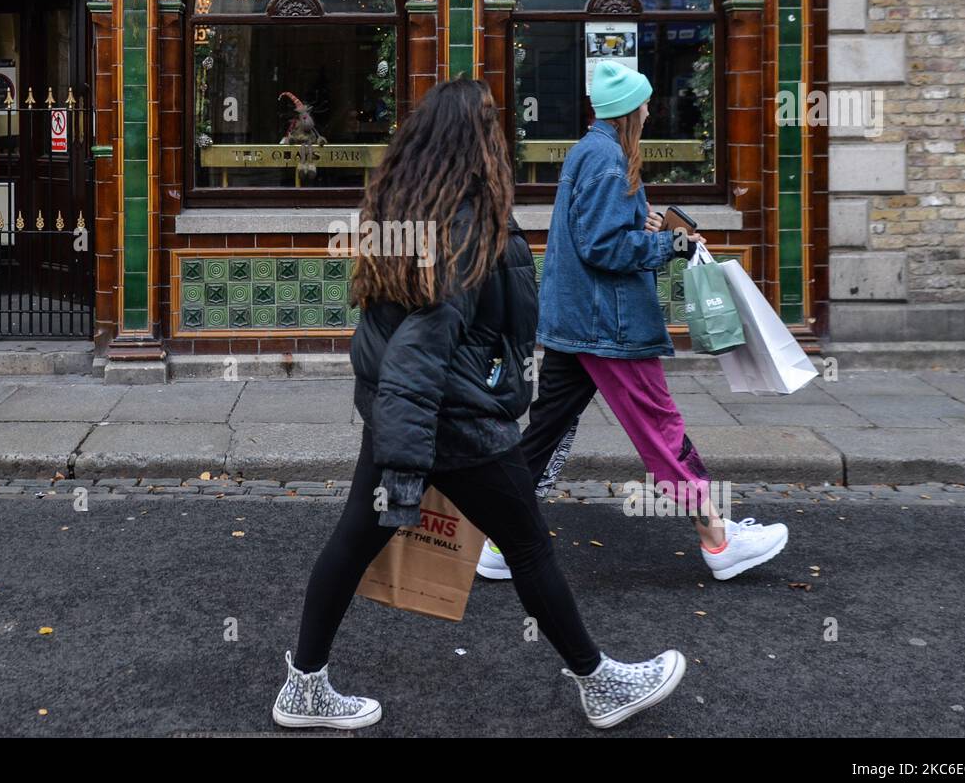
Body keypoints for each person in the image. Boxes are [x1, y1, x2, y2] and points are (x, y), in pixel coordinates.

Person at [273, 78, 686, 731]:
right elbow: (420, 345)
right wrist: (410, 468)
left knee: (354, 540)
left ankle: (303, 686)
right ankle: (599, 682)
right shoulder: (465, 222)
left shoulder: (409, 204)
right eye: (495, 128)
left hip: (401, 413)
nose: (504, 138)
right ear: (479, 143)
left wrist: (398, 455)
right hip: (452, 420)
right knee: (528, 547)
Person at [476, 60, 788, 583]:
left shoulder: (592, 152)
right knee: (660, 426)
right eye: (643, 102)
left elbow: (592, 233)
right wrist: (670, 243)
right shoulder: (608, 161)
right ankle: (718, 537)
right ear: (627, 111)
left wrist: (642, 225)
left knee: (546, 433)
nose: (649, 109)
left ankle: (499, 542)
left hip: (578, 321)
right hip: (609, 326)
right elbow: (604, 247)